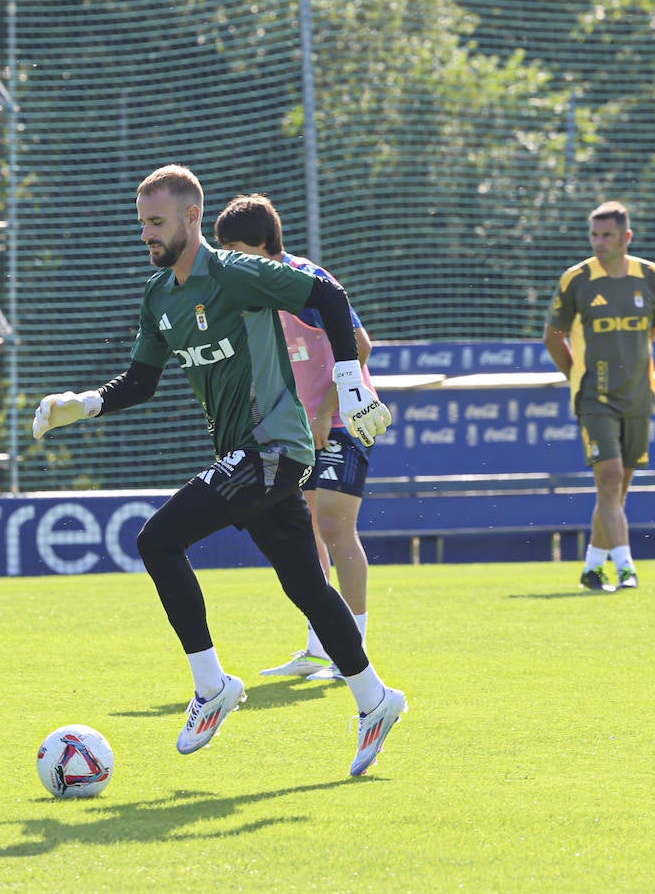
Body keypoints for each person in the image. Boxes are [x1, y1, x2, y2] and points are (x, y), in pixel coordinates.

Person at [31, 165, 406, 776]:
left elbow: (328, 297)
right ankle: (376, 699)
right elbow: (142, 380)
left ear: (192, 217)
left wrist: (348, 380)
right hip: (248, 455)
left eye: (156, 222)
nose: (146, 234)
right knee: (306, 586)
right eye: (142, 223)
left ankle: (212, 687)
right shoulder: (160, 294)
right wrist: (87, 403)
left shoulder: (234, 272)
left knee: (157, 540)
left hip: (273, 449)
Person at [212, 194, 375, 682]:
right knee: (306, 534)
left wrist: (325, 411)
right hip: (298, 431)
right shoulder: (254, 290)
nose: (228, 260)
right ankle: (321, 645)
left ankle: (355, 652)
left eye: (235, 249)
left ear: (263, 243)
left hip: (343, 420)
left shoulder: (306, 281)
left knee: (334, 527)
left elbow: (360, 345)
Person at [543, 201, 655, 593]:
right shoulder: (577, 279)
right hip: (594, 397)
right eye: (594, 235)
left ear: (626, 237)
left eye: (607, 235)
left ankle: (592, 568)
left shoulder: (650, 276)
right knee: (609, 477)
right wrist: (577, 377)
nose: (599, 242)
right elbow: (553, 337)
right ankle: (626, 568)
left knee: (618, 487)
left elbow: (650, 332)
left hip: (639, 395)